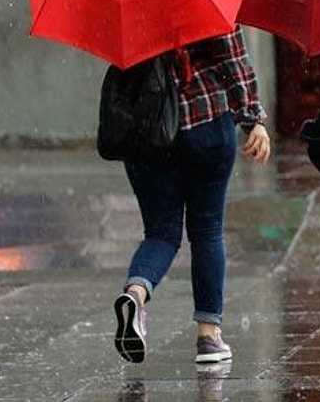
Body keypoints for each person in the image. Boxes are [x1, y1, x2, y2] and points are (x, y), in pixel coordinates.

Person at [112, 26, 272, 365]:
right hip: (206, 121)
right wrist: (253, 118)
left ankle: (136, 294)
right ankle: (208, 337)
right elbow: (233, 59)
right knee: (207, 231)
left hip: (150, 131)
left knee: (161, 232)